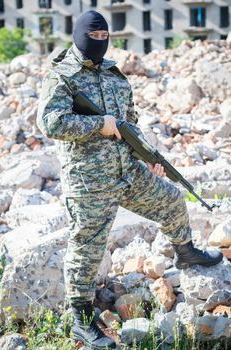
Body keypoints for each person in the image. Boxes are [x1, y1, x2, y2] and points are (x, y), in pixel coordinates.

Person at [37, 10, 223, 350]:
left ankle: (185, 254)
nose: (99, 42)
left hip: (128, 172)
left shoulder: (116, 76)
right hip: (88, 181)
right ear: (79, 35)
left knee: (171, 199)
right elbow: (51, 124)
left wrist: (148, 158)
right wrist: (98, 125)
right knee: (86, 249)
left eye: (103, 36)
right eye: (92, 36)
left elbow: (129, 126)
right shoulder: (62, 76)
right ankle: (80, 320)